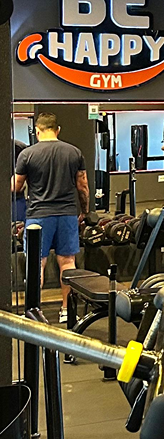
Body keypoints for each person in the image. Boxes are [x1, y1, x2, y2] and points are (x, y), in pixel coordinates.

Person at [12, 113, 89, 323]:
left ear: (37, 131)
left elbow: (16, 187)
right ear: (58, 130)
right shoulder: (74, 152)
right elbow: (82, 186)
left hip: (39, 216)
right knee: (68, 263)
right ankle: (67, 311)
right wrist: (84, 210)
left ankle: (34, 312)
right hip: (67, 214)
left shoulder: (27, 154)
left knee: (37, 264)